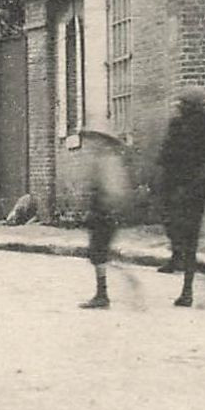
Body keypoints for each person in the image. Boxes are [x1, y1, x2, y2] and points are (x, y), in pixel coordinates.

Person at [156, 86, 205, 307]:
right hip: (173, 185)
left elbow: (198, 155)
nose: (179, 107)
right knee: (170, 224)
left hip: (193, 188)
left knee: (190, 238)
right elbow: (166, 152)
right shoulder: (177, 123)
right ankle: (176, 256)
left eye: (183, 104)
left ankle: (187, 290)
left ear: (193, 106)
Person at [77, 129, 132, 310]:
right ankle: (103, 292)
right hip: (101, 211)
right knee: (99, 253)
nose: (91, 144)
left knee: (99, 253)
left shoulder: (108, 160)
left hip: (105, 212)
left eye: (95, 140)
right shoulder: (102, 159)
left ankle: (103, 295)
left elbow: (114, 189)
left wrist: (107, 210)